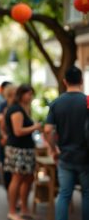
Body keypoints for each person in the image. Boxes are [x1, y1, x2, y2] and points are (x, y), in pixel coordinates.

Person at [44, 66, 89, 220]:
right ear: (81, 81)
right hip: (85, 157)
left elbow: (48, 130)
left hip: (65, 156)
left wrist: (53, 149)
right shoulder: (87, 101)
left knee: (64, 194)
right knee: (87, 193)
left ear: (64, 81)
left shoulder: (57, 103)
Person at [4, 84, 41, 220]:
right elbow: (18, 131)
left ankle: (24, 208)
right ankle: (12, 210)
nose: (31, 97)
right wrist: (35, 127)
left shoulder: (24, 109)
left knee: (28, 178)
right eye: (29, 94)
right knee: (17, 178)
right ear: (21, 94)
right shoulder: (16, 110)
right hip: (17, 149)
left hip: (26, 149)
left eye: (32, 94)